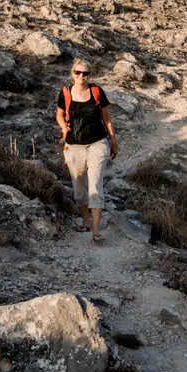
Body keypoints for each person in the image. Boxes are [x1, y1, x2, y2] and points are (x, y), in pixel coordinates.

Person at [56, 58, 118, 243]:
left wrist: (113, 142)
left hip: (97, 143)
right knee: (79, 189)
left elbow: (106, 119)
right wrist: (63, 128)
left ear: (90, 75)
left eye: (85, 73)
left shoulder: (97, 92)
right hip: (73, 145)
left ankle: (96, 230)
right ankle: (86, 220)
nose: (81, 76)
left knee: (95, 184)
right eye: (78, 73)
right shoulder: (65, 93)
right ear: (72, 74)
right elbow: (59, 114)